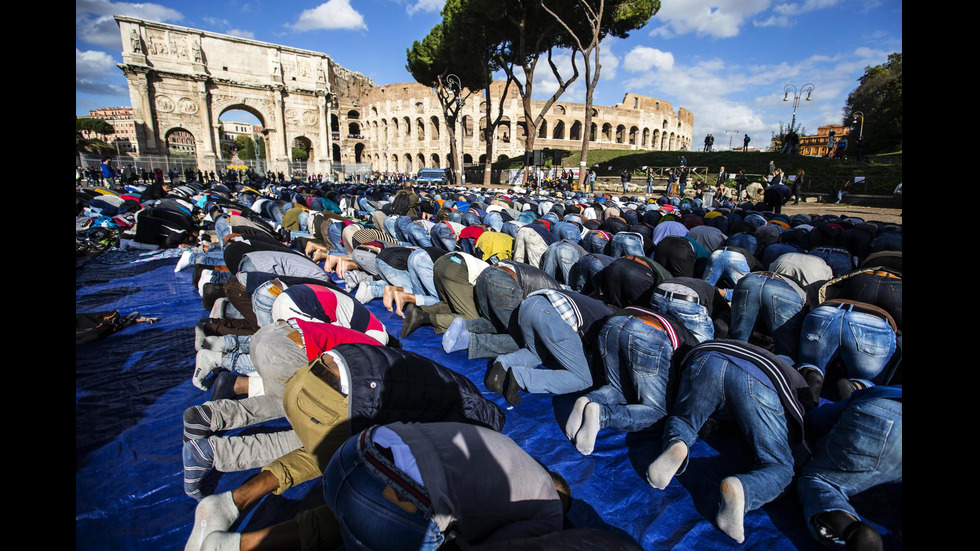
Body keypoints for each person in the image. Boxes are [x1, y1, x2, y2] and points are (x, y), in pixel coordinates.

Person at [184, 343, 505, 550]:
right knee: (377, 509)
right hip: (348, 397)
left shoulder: (447, 385)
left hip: (309, 379)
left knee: (319, 451)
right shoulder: (472, 414)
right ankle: (238, 546)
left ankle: (228, 503)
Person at [199, 422, 572, 551]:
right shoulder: (549, 507)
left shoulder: (505, 448)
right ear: (560, 496)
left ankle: (229, 545)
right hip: (393, 499)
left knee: (354, 515)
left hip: (352, 454)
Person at [646, 339, 816, 543]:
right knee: (781, 465)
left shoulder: (740, 343)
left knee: (685, 419)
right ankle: (744, 489)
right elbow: (803, 419)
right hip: (761, 382)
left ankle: (677, 443)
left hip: (709, 358)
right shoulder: (794, 376)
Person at [565, 306, 701, 455]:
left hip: (615, 322)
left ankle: (587, 400)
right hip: (649, 334)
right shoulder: (696, 357)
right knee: (658, 411)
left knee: (617, 388)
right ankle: (602, 415)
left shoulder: (689, 337)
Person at [797, 385, 902, 551]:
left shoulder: (881, 391)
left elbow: (816, 420)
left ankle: (849, 529)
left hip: (882, 418)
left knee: (818, 480)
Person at [485, 288, 613, 405]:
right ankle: (521, 377)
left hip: (529, 304)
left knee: (535, 353)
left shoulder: (596, 306)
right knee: (583, 379)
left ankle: (503, 363)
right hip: (552, 315)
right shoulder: (610, 323)